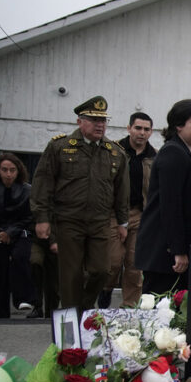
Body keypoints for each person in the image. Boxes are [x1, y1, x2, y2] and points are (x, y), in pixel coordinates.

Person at [30, 96, 129, 312]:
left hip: (100, 221)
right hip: (68, 220)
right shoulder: (60, 147)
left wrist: (123, 222)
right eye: (94, 120)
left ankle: (83, 309)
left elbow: (122, 191)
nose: (100, 125)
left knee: (102, 270)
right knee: (71, 275)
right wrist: (42, 218)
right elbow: (42, 183)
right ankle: (71, 322)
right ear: (79, 122)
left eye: (103, 121)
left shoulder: (115, 152)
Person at [135, 100, 191, 295]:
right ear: (179, 125)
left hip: (186, 247)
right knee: (162, 310)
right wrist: (177, 250)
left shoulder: (187, 152)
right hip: (166, 254)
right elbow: (170, 206)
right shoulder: (173, 152)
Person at [98, 112, 157, 308]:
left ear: (151, 132)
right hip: (114, 215)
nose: (141, 133)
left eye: (146, 129)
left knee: (134, 264)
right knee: (113, 261)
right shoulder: (113, 151)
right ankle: (106, 288)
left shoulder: (154, 157)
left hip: (141, 215)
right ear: (129, 128)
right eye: (138, 128)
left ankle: (129, 308)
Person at [0, 154, 36, 318]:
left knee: (20, 257)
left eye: (12, 170)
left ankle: (23, 298)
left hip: (20, 232)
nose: (8, 174)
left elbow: (29, 217)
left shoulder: (27, 190)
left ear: (18, 171)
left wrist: (10, 233)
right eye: (4, 170)